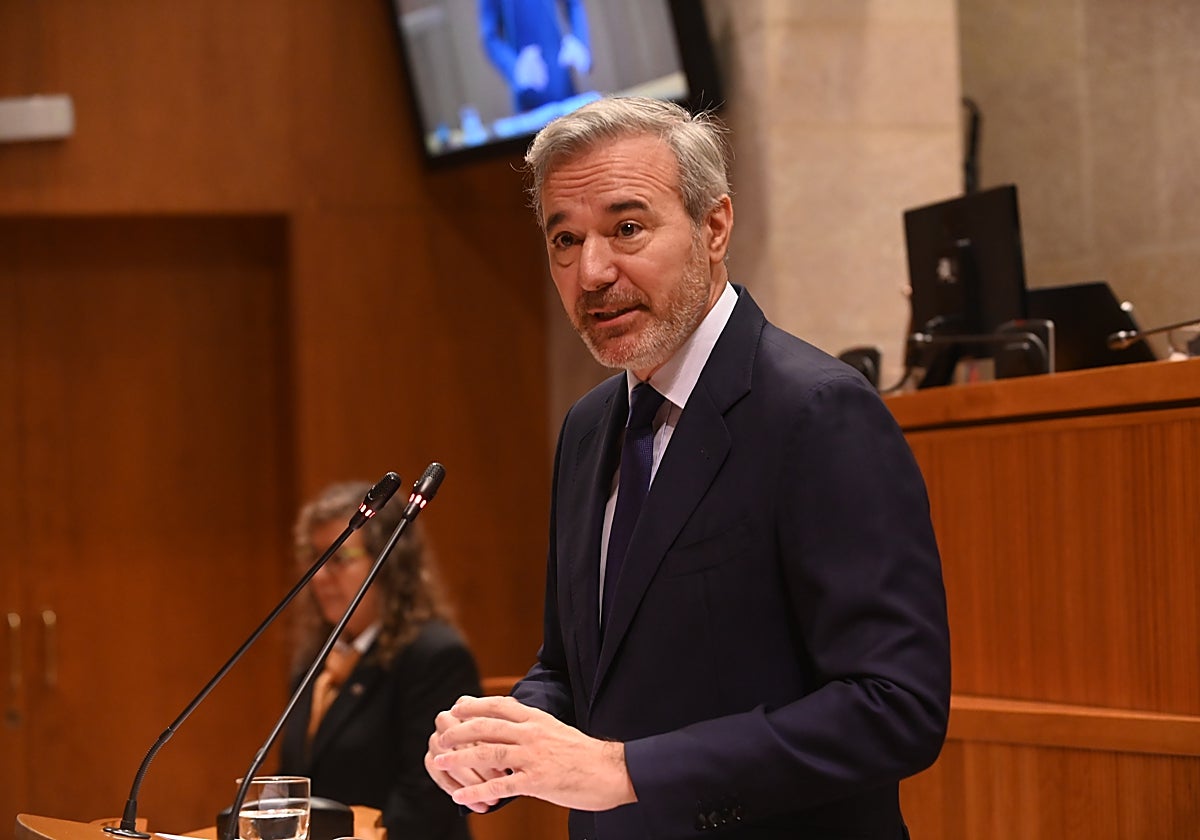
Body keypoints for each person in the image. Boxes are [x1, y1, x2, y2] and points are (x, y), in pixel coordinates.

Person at [424, 96, 951, 839]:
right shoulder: (587, 427)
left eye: (627, 228)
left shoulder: (816, 412)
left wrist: (626, 772)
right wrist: (511, 740)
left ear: (714, 225)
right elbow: (578, 667)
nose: (592, 271)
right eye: (564, 240)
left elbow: (895, 707)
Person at [280, 480, 480, 840]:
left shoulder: (435, 657)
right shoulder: (315, 660)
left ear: (389, 563)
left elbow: (428, 803)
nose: (320, 576)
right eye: (315, 557)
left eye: (339, 558)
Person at [479, 0, 591, 114]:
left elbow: (574, 4)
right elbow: (490, 36)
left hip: (561, 72)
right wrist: (515, 68)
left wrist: (580, 42)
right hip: (528, 82)